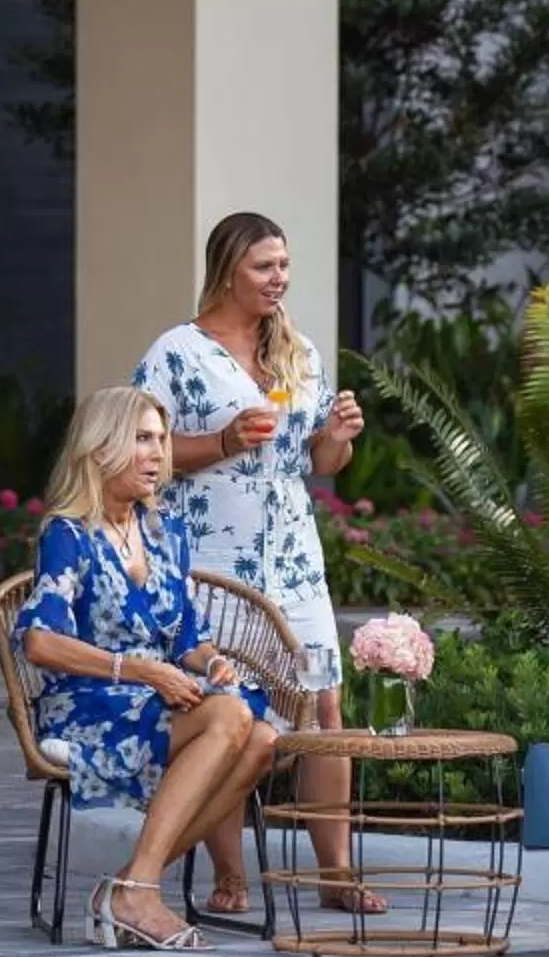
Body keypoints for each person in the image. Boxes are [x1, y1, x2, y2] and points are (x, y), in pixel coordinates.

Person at [134, 212, 381, 918]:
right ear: (227, 271)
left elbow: (320, 464)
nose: (279, 279)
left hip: (294, 563)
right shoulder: (177, 354)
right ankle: (231, 877)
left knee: (324, 708)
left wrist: (338, 436)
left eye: (284, 266)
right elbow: (139, 452)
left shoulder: (297, 351)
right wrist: (221, 440)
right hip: (214, 565)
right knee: (233, 712)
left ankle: (335, 871)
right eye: (264, 267)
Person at [16, 385, 280, 951]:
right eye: (141, 439)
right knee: (231, 719)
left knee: (261, 739)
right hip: (90, 705)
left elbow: (188, 638)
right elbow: (39, 641)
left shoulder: (166, 533)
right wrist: (140, 670)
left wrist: (214, 662)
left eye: (161, 440)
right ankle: (136, 893)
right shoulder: (69, 534)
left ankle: (133, 885)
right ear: (101, 446)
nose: (157, 454)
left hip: (157, 697)